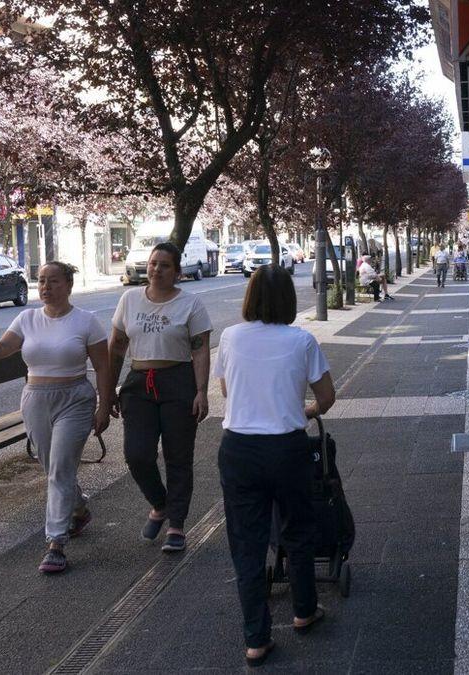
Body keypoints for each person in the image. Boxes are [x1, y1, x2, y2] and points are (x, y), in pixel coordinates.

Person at [213, 263, 334, 667]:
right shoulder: (302, 341)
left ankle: (256, 639)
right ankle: (303, 611)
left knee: (246, 544)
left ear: (249, 297)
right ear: (289, 299)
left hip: (240, 449)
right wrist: (306, 409)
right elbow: (328, 396)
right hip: (287, 448)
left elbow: (228, 389)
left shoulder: (230, 337)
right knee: (297, 529)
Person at [0, 262, 112, 573]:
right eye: (41, 281)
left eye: (53, 281)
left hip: (75, 399)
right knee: (54, 468)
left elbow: (104, 367)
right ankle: (79, 508)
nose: (45, 287)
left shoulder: (86, 321)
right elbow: (0, 351)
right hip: (35, 399)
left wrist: (104, 405)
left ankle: (56, 543)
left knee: (59, 469)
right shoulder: (27, 318)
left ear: (68, 285)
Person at [109, 242, 212, 553]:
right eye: (153, 263)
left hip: (177, 381)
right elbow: (116, 347)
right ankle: (160, 504)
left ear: (177, 272)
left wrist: (201, 391)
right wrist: (108, 390)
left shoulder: (191, 304)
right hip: (139, 384)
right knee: (137, 454)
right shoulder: (129, 299)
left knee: (178, 457)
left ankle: (177, 525)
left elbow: (200, 349)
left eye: (165, 265)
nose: (156, 269)